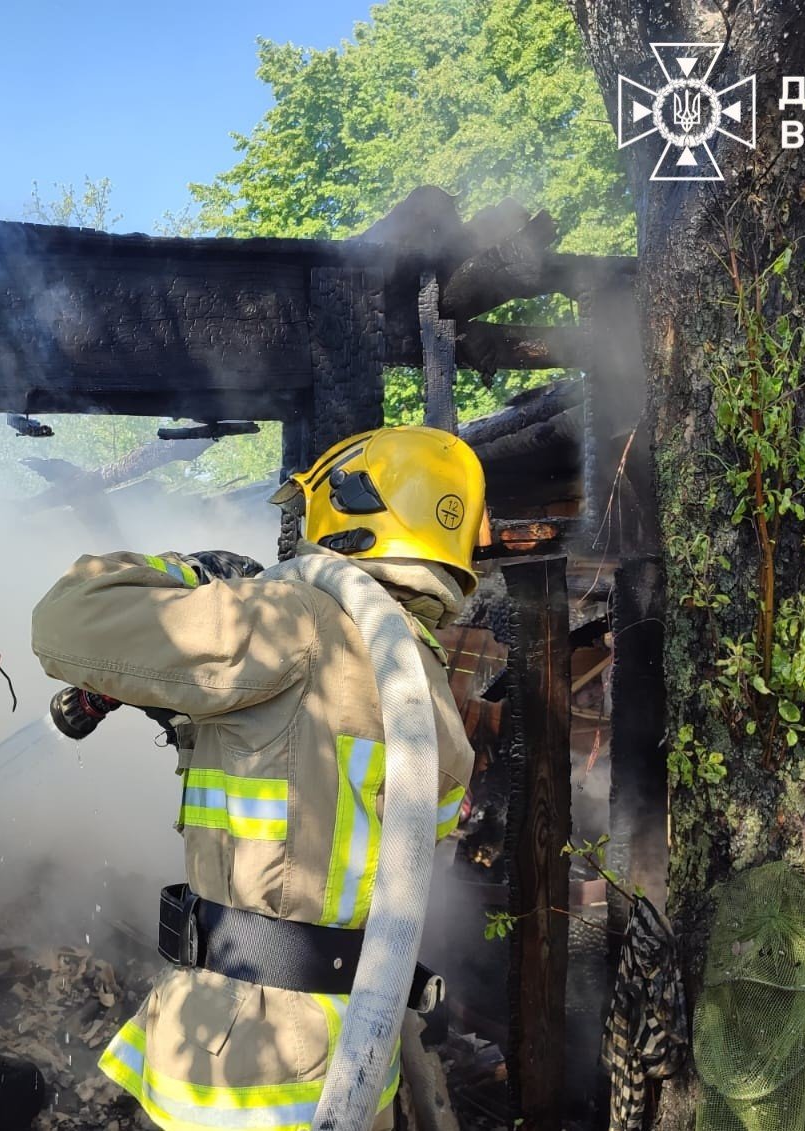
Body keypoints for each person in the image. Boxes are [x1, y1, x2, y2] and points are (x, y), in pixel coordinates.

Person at [30, 425, 484, 1131]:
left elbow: (65, 618)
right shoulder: (426, 689)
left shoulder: (292, 622)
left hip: (243, 1065)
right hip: (353, 1060)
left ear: (349, 509)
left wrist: (194, 574)